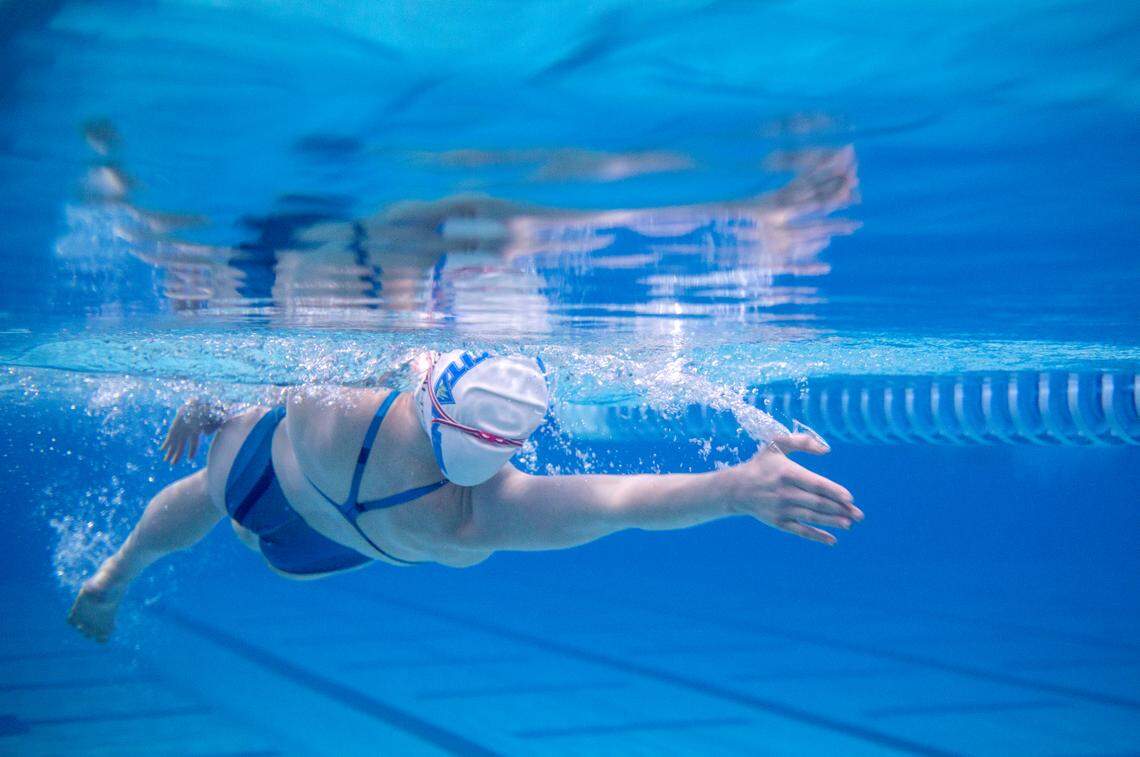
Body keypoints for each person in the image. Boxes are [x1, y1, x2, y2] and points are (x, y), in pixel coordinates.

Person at [68, 350, 861, 643]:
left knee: (210, 486)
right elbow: (629, 501)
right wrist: (738, 487)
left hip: (255, 484)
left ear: (430, 396)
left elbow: (272, 359)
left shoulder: (343, 409)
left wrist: (211, 401)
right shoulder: (485, 513)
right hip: (319, 554)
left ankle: (119, 570)